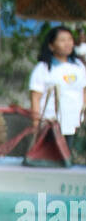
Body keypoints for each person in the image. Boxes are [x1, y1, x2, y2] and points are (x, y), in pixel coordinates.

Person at [28, 25, 86, 154]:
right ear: (51, 45)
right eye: (62, 40)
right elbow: (35, 97)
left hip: (76, 123)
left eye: (70, 39)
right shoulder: (43, 68)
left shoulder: (79, 66)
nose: (68, 43)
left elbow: (83, 91)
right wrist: (36, 122)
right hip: (51, 123)